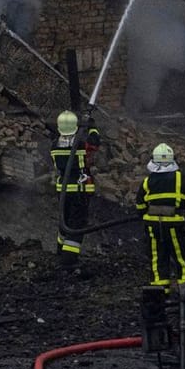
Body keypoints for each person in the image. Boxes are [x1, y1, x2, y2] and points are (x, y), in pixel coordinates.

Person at [135, 142, 185, 290]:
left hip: (152, 226)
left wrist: (144, 215)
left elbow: (140, 205)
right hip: (174, 224)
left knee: (157, 257)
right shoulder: (181, 178)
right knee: (181, 256)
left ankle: (160, 292)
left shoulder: (147, 181)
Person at [51, 110, 102, 271]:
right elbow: (94, 143)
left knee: (64, 221)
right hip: (79, 190)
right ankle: (69, 259)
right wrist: (92, 127)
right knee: (76, 224)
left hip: (63, 190)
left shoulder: (54, 144)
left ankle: (60, 252)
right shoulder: (80, 143)